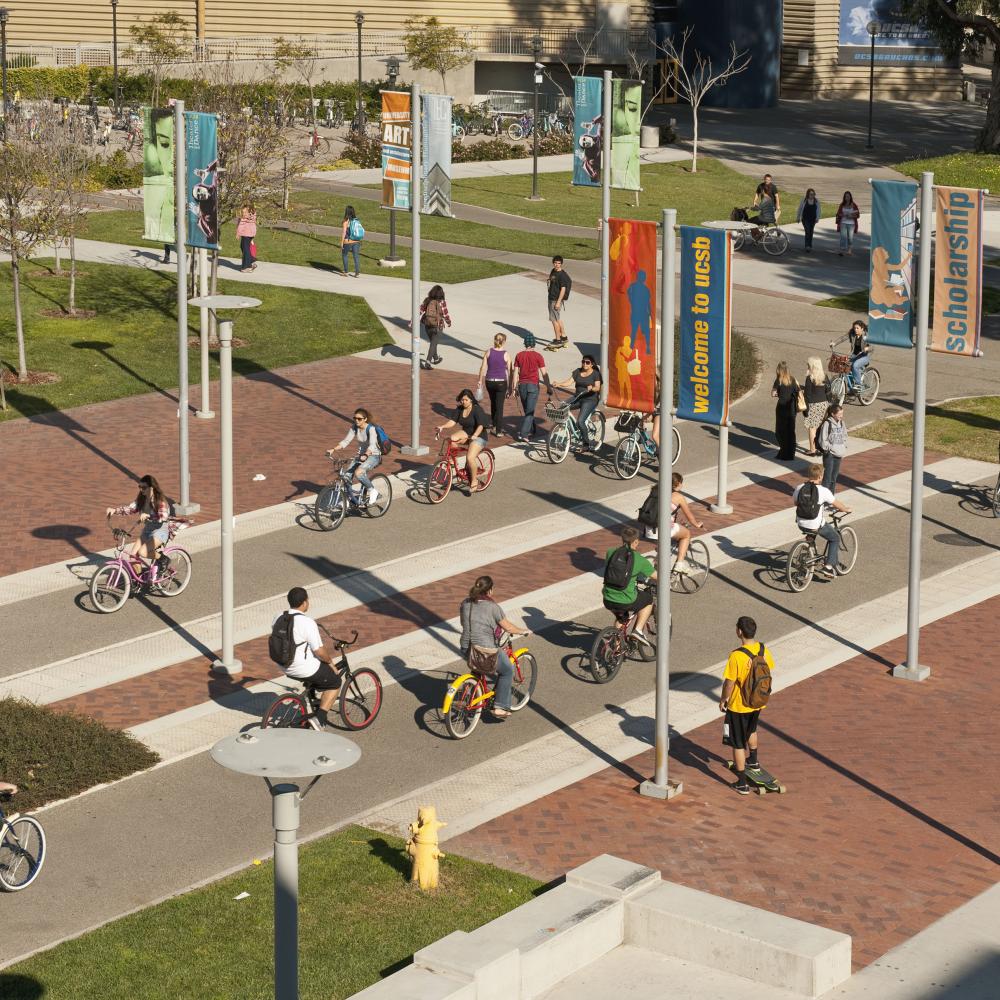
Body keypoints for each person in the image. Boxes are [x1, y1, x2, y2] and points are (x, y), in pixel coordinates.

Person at [720, 616, 776, 795]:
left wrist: (723, 699)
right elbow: (769, 669)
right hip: (757, 702)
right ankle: (754, 760)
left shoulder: (736, 655)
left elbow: (729, 682)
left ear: (739, 631)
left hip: (739, 705)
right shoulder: (763, 649)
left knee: (737, 742)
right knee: (752, 730)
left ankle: (742, 782)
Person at [459, 575, 528, 720]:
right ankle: (500, 707)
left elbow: (463, 623)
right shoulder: (493, 607)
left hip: (467, 647)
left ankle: (467, 697)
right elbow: (508, 627)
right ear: (490, 591)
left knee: (477, 667)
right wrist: (523, 631)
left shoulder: (465, 603)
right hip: (485, 650)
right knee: (507, 670)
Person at [275, 587, 342, 725]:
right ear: (305, 602)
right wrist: (330, 663)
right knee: (335, 681)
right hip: (301, 668)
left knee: (317, 674)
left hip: (282, 665)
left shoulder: (279, 617)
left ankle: (312, 700)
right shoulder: (307, 622)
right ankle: (319, 719)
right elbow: (319, 651)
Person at [792, 464, 852, 577]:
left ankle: (807, 552)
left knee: (810, 532)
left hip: (801, 523)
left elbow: (795, 503)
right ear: (820, 476)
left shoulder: (799, 487)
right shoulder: (823, 491)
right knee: (835, 538)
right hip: (815, 524)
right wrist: (846, 509)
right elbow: (836, 503)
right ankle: (828, 567)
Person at [602, 525, 657, 649]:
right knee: (648, 600)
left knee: (622, 617)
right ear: (636, 541)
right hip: (626, 599)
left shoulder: (611, 552)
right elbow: (657, 577)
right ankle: (637, 631)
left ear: (622, 539)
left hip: (608, 597)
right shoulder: (639, 559)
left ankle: (616, 649)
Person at [105, 474, 174, 572]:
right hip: (148, 530)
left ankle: (163, 559)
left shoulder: (160, 501)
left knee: (143, 552)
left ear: (152, 487)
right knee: (133, 556)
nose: (141, 490)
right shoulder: (142, 499)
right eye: (140, 487)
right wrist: (114, 510)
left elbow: (163, 517)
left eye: (144, 487)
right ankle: (138, 580)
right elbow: (130, 509)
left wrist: (149, 516)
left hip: (160, 531)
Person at [640, 472, 704, 575]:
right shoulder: (678, 497)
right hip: (663, 529)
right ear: (677, 483)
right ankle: (680, 563)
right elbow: (690, 516)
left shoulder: (655, 491)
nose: (682, 485)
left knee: (662, 553)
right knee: (686, 534)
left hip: (649, 528)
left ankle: (656, 578)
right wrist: (697, 524)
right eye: (681, 483)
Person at [435, 389, 489, 493]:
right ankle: (452, 461)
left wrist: (475, 435)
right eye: (462, 400)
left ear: (471, 400)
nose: (463, 402)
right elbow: (452, 422)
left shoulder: (477, 409)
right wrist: (442, 427)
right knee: (452, 439)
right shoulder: (460, 409)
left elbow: (481, 425)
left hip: (479, 436)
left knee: (470, 457)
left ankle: (473, 481)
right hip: (466, 433)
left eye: (466, 400)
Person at [327, 407, 382, 505]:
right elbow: (346, 441)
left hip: (374, 455)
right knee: (346, 476)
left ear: (365, 419)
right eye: (355, 418)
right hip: (361, 455)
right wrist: (333, 449)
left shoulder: (371, 429)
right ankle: (348, 499)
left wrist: (366, 454)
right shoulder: (354, 428)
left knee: (359, 472)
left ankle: (373, 491)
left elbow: (372, 445)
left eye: (359, 419)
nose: (356, 420)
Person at [554, 355, 602, 452]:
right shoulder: (578, 371)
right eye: (583, 362)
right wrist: (559, 384)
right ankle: (575, 428)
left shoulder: (595, 373)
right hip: (578, 397)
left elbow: (597, 387)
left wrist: (591, 388)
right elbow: (569, 382)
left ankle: (586, 444)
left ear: (592, 364)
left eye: (587, 362)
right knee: (563, 407)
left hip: (590, 399)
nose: (585, 364)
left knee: (580, 421)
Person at [511, 333, 552, 442]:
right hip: (533, 386)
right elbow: (544, 374)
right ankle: (524, 434)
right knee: (529, 411)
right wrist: (548, 387)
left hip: (522, 385)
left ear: (525, 344)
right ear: (534, 344)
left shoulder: (519, 355)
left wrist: (514, 387)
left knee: (527, 410)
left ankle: (532, 428)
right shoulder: (538, 356)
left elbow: (515, 373)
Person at [478, 332, 513, 437]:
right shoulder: (506, 354)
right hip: (501, 382)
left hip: (489, 381)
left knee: (493, 403)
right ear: (504, 342)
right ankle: (498, 430)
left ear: (495, 340)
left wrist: (480, 380)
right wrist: (510, 386)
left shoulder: (488, 352)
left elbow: (483, 367)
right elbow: (510, 371)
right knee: (500, 406)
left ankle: (493, 424)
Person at [770, 361, 799, 461]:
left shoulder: (779, 380)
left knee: (780, 431)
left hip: (782, 407)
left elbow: (773, 393)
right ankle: (791, 453)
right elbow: (797, 391)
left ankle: (783, 451)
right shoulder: (793, 379)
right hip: (792, 408)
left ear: (778, 370)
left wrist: (779, 393)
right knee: (791, 431)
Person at [817, 405, 849, 493]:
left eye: (842, 413)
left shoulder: (842, 423)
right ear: (832, 414)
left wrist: (843, 447)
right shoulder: (827, 423)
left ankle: (831, 497)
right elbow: (823, 439)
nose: (841, 416)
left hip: (839, 454)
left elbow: (845, 436)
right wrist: (829, 449)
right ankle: (823, 498)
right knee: (827, 478)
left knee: (834, 478)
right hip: (829, 455)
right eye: (839, 414)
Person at [802, 356, 830, 456]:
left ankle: (812, 450)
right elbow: (828, 391)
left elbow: (807, 395)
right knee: (820, 427)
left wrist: (805, 409)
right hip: (824, 404)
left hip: (813, 405)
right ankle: (820, 447)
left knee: (812, 428)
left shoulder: (809, 378)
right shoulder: (825, 376)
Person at [831, 319, 873, 386]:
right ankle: (851, 388)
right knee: (846, 366)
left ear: (862, 328)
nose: (855, 329)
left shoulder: (866, 335)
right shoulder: (852, 333)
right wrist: (834, 343)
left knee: (855, 365)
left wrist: (867, 348)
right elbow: (843, 338)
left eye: (857, 328)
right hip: (854, 355)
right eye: (854, 328)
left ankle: (858, 384)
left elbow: (872, 347)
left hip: (864, 356)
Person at [419, 284, 451, 370]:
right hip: (437, 326)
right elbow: (445, 314)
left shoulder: (427, 300)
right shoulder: (442, 302)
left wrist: (412, 322)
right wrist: (448, 322)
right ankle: (428, 362)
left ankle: (436, 358)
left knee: (433, 343)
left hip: (427, 325)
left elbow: (419, 311)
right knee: (433, 343)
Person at [545, 256, 572, 350]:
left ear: (561, 264)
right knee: (558, 318)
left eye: (559, 263)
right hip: (551, 298)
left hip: (555, 300)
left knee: (554, 320)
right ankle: (563, 337)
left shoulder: (562, 275)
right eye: (555, 263)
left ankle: (558, 340)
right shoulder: (553, 271)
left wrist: (558, 302)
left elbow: (563, 289)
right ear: (553, 263)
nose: (557, 264)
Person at [795, 188, 820, 253]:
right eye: (811, 194)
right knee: (807, 231)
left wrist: (817, 218)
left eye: (813, 194)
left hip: (813, 219)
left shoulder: (816, 201)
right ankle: (807, 246)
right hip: (805, 219)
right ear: (808, 194)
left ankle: (810, 245)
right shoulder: (804, 200)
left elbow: (818, 210)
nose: (812, 195)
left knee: (811, 232)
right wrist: (798, 217)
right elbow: (800, 209)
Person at [836, 191, 860, 256]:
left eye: (848, 196)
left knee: (850, 237)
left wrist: (851, 216)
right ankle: (842, 250)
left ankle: (849, 250)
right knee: (843, 237)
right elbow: (838, 213)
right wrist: (842, 215)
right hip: (843, 222)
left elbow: (858, 215)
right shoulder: (842, 204)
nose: (847, 197)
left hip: (851, 223)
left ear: (850, 197)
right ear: (844, 197)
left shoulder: (854, 205)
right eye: (846, 196)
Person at [341, 205, 363, 277]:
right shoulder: (356, 220)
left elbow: (344, 232)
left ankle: (346, 272)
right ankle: (357, 273)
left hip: (348, 241)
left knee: (344, 255)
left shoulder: (346, 221)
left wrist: (341, 242)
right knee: (356, 256)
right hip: (356, 241)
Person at [236, 202, 257, 273]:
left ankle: (247, 266)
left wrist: (238, 234)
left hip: (246, 234)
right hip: (250, 234)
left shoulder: (244, 218)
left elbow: (241, 225)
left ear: (249, 212)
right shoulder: (252, 216)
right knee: (243, 247)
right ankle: (251, 260)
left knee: (245, 250)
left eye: (245, 212)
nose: (243, 213)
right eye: (243, 212)